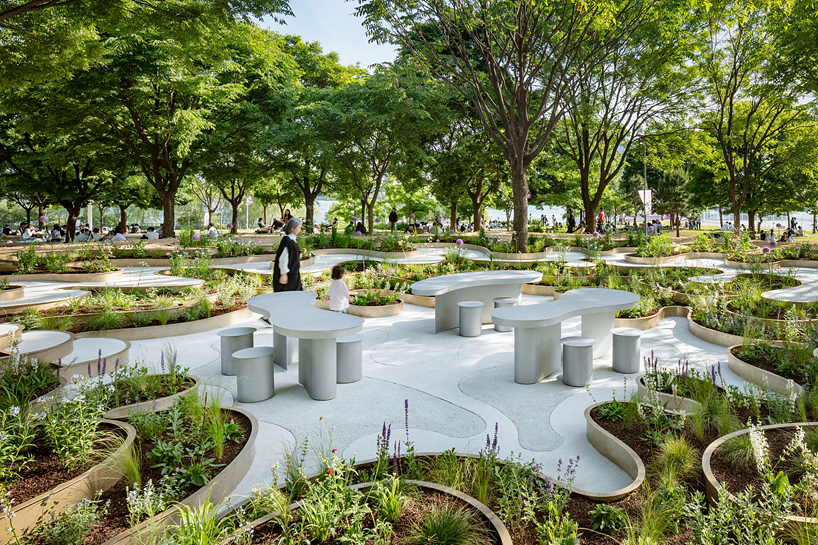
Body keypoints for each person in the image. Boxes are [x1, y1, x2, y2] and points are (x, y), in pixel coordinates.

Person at [273, 217, 304, 292]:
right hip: (288, 275)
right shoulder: (287, 240)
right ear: (292, 228)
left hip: (294, 274)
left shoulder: (292, 239)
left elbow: (292, 255)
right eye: (299, 228)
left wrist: (300, 253)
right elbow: (283, 258)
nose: (300, 230)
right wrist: (283, 274)